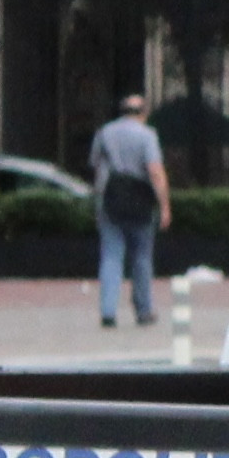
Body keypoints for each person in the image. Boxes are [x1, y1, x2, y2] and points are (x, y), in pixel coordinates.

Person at [88, 93, 171, 328]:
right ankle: (143, 310)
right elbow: (155, 171)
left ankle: (108, 311)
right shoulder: (147, 136)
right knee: (142, 257)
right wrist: (165, 205)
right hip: (140, 202)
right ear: (143, 113)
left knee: (111, 256)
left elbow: (97, 167)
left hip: (111, 201)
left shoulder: (104, 133)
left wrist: (98, 202)